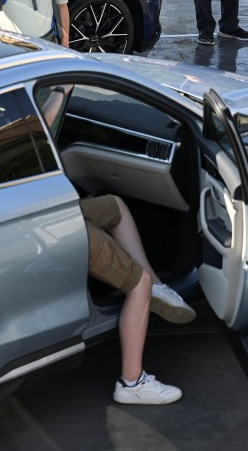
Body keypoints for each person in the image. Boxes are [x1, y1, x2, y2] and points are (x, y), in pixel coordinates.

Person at [39, 84, 196, 405]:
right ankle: (132, 381)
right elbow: (40, 136)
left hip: (46, 210)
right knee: (134, 285)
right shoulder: (16, 122)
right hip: (54, 221)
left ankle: (156, 283)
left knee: (115, 206)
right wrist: (60, 89)